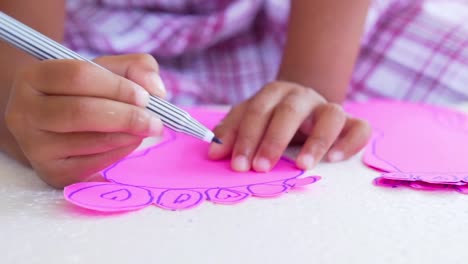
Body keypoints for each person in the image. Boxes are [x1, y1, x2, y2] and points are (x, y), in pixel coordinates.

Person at [1, 0, 466, 188]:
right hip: (93, 37)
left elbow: (316, 90)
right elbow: (18, 85)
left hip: (286, 22)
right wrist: (28, 124)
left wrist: (312, 86)